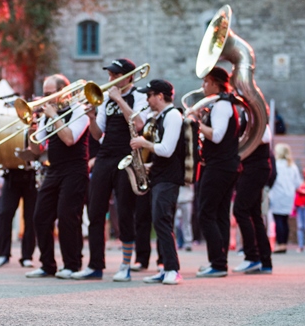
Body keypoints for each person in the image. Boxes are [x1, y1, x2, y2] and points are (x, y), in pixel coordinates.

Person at [72, 58, 147, 282]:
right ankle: (95, 265)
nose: (111, 80)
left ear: (129, 77)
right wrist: (92, 118)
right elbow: (97, 134)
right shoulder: (104, 99)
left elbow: (139, 125)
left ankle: (125, 264)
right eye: (110, 75)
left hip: (127, 155)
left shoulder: (139, 96)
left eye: (115, 76)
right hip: (105, 155)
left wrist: (119, 99)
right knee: (95, 211)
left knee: (125, 212)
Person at [25, 74, 89, 279]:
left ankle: (72, 264)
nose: (45, 99)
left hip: (75, 170)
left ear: (64, 92)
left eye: (49, 94)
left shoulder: (80, 111)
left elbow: (70, 139)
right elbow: (36, 149)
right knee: (40, 216)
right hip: (54, 169)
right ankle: (47, 264)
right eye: (44, 95)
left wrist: (54, 116)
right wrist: (30, 127)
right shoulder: (47, 115)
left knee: (68, 217)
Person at [127, 79, 184, 285]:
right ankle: (165, 267)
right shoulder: (160, 117)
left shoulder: (173, 116)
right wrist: (147, 167)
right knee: (158, 221)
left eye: (150, 95)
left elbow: (167, 150)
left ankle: (172, 269)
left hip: (169, 178)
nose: (147, 99)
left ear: (160, 96)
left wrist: (144, 143)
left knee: (162, 220)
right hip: (160, 176)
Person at [193, 67, 241, 278]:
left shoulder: (222, 106)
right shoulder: (223, 105)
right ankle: (219, 262)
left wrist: (197, 124)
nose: (203, 86)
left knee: (205, 213)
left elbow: (218, 136)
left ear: (215, 83)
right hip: (225, 165)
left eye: (206, 82)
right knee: (220, 213)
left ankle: (218, 263)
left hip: (219, 166)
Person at [232, 124, 274, 273]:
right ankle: (265, 260)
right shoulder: (250, 117)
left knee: (240, 210)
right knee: (255, 215)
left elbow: (265, 137)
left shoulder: (257, 118)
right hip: (254, 168)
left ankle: (252, 257)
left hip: (255, 169)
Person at [0, 165, 38, 268]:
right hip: (11, 176)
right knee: (4, 214)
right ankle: (3, 254)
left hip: (31, 176)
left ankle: (27, 256)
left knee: (30, 217)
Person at [269, 143, 302, 254]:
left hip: (277, 194)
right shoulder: (292, 166)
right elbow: (298, 183)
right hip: (289, 195)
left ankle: (280, 244)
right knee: (284, 219)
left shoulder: (276, 165)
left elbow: (271, 179)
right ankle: (284, 244)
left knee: (278, 219)